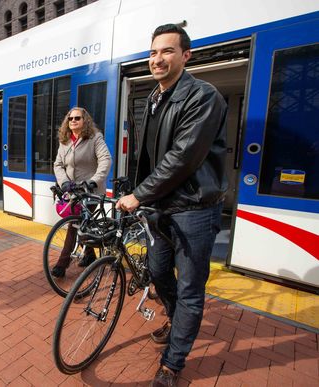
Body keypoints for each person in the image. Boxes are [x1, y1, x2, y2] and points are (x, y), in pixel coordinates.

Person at [116, 24, 228, 386]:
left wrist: (138, 195)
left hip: (194, 208)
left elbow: (182, 158)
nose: (157, 59)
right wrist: (134, 188)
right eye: (152, 52)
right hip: (160, 206)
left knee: (192, 287)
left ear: (185, 55)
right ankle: (178, 320)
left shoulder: (203, 96)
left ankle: (173, 364)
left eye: (166, 51)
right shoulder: (153, 98)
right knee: (158, 270)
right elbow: (147, 158)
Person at [52, 107, 112, 277]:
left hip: (91, 191)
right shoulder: (65, 141)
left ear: (84, 120)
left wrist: (94, 181)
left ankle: (62, 264)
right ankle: (89, 255)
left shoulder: (95, 138)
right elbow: (58, 164)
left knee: (75, 225)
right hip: (73, 192)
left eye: (77, 118)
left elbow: (105, 160)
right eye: (70, 118)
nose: (73, 121)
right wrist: (63, 182)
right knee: (86, 225)